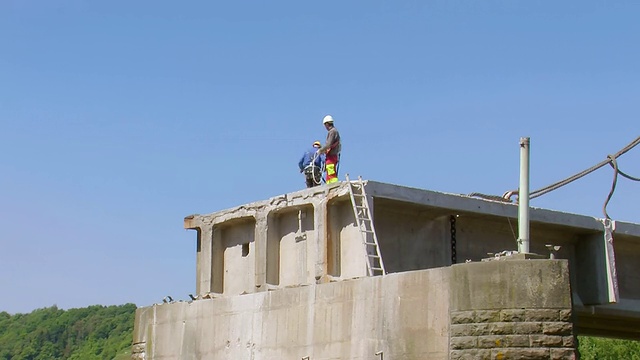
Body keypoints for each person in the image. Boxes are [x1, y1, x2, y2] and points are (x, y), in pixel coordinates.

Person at [316, 115, 341, 184]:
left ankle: (333, 185)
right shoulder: (334, 131)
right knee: (329, 174)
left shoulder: (332, 132)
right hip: (332, 156)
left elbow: (328, 144)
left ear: (327, 124)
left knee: (331, 173)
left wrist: (320, 150)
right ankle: (329, 185)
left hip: (331, 156)